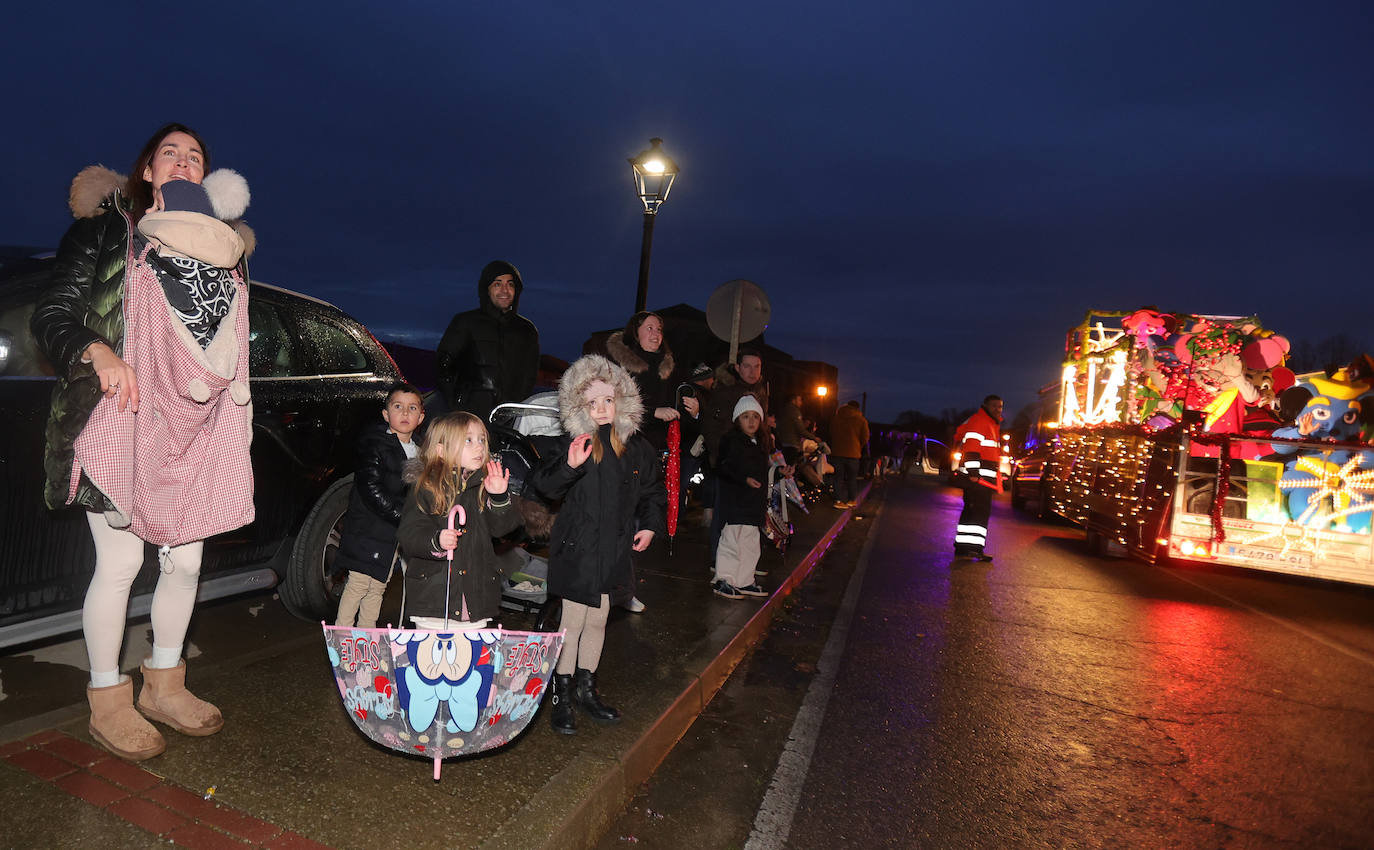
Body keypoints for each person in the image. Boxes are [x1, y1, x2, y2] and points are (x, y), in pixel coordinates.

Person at [31, 124, 255, 761]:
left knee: (185, 564)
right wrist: (96, 348)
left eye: (196, 155)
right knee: (123, 565)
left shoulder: (224, 251)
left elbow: (228, 342)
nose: (184, 160)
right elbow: (53, 312)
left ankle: (165, 683)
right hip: (122, 418)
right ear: (148, 170)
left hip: (198, 426)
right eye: (170, 153)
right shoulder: (105, 232)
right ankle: (107, 698)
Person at [530, 355, 666, 735]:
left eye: (609, 400)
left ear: (623, 401)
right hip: (577, 549)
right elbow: (543, 486)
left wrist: (651, 526)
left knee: (599, 619)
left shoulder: (636, 448)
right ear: (580, 407)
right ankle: (561, 695)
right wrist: (569, 466)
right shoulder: (571, 443)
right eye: (593, 402)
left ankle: (587, 691)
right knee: (572, 623)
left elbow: (654, 491)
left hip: (614, 550)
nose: (602, 409)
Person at [605, 311, 699, 613]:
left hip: (653, 457)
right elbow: (610, 409)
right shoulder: (619, 367)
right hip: (619, 453)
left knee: (638, 525)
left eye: (659, 328)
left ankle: (625, 590)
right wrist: (652, 413)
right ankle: (606, 588)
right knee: (613, 524)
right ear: (636, 332)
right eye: (649, 328)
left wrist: (695, 408)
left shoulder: (670, 370)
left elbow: (686, 413)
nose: (656, 333)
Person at [396, 412, 521, 628]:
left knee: (470, 660)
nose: (479, 446)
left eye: (482, 439)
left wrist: (499, 496)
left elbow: (502, 529)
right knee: (432, 660)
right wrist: (436, 541)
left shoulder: (484, 486)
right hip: (434, 599)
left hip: (476, 598)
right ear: (441, 451)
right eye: (468, 440)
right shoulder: (426, 487)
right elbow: (409, 534)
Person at [333, 383, 426, 629]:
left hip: (391, 534)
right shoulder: (375, 444)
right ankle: (343, 635)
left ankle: (367, 634)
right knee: (359, 583)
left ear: (420, 417)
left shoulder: (420, 452)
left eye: (412, 408)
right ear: (386, 414)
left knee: (378, 585)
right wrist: (402, 515)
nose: (405, 413)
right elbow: (371, 488)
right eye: (398, 407)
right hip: (369, 529)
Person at [435, 260, 539, 421]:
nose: (505, 290)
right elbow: (443, 365)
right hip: (469, 415)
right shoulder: (465, 321)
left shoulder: (527, 330)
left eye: (510, 284)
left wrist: (515, 408)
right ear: (487, 289)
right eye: (497, 284)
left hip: (509, 417)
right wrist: (457, 404)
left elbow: (529, 376)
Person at [702, 349, 769, 559]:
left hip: (753, 467)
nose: (752, 371)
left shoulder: (761, 393)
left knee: (748, 518)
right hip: (729, 469)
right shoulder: (725, 393)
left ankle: (745, 565)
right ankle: (718, 562)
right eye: (747, 366)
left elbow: (762, 430)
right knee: (725, 518)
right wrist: (723, 456)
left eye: (756, 366)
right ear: (738, 368)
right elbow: (710, 427)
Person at [712, 396, 771, 600]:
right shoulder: (731, 441)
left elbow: (764, 472)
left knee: (750, 545)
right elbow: (722, 468)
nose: (751, 421)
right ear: (738, 419)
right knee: (731, 543)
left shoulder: (761, 443)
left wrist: (781, 472)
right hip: (735, 503)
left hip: (753, 505)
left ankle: (745, 580)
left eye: (755, 416)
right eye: (746, 416)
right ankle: (725, 580)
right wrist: (743, 479)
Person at [953, 395, 1004, 561]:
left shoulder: (988, 423)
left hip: (981, 479)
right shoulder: (982, 422)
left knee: (971, 511)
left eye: (1001, 406)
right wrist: (974, 473)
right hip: (979, 480)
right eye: (995, 406)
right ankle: (974, 548)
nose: (998, 409)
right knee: (978, 513)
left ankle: (963, 548)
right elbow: (972, 448)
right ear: (985, 406)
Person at [829, 400, 869, 508]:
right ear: (857, 408)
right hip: (853, 454)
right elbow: (865, 437)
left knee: (838, 477)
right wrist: (857, 446)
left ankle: (837, 500)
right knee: (852, 478)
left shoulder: (836, 418)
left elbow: (831, 432)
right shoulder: (861, 420)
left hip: (837, 452)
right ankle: (851, 500)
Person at [776, 392, 819, 466]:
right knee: (791, 467)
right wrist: (814, 438)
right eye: (799, 400)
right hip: (792, 443)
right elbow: (800, 429)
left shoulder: (783, 410)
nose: (801, 403)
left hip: (783, 442)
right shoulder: (794, 411)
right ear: (794, 400)